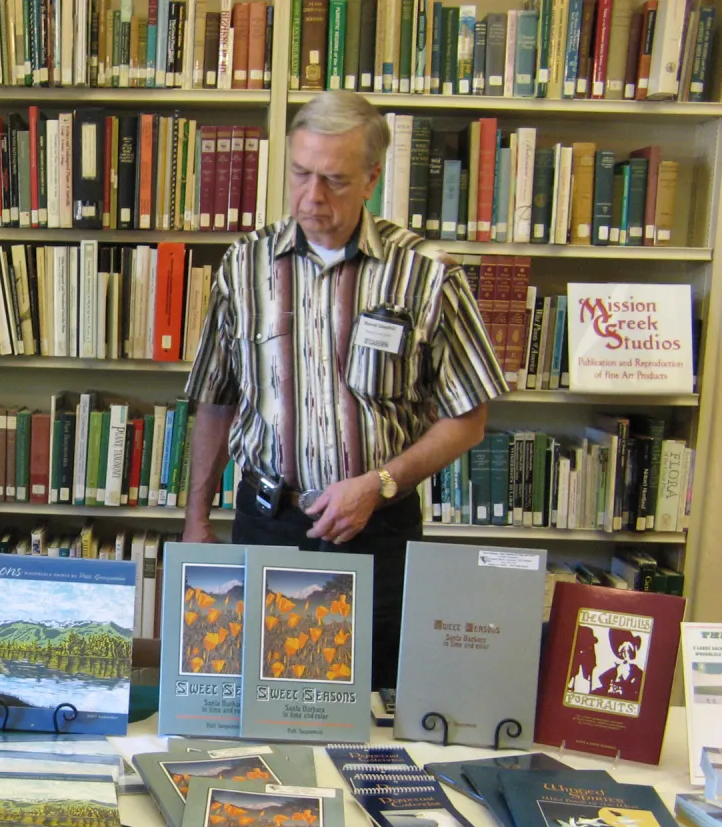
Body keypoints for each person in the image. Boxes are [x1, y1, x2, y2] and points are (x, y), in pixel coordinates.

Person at [182, 90, 509, 690]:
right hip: (266, 523)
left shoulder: (428, 275)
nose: (312, 198)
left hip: (376, 533)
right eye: (301, 174)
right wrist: (196, 519)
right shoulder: (244, 266)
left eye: (333, 180)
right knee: (253, 702)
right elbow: (215, 398)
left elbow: (468, 418)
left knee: (371, 719)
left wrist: (378, 484)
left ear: (371, 179)